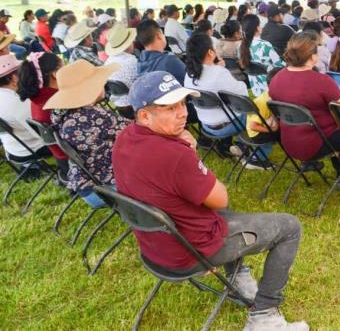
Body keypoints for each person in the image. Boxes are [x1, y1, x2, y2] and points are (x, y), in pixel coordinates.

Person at [113, 71, 308, 331]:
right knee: (289, 227)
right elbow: (219, 198)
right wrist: (191, 153)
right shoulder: (174, 153)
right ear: (144, 115)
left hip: (157, 249)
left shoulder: (124, 139)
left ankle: (237, 275)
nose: (182, 113)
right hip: (190, 252)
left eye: (182, 104)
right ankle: (265, 316)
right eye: (171, 108)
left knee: (216, 206)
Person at [270, 33, 340, 194]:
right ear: (313, 57)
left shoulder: (277, 78)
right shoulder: (321, 81)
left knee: (333, 126)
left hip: (289, 142)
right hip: (314, 143)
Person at [44, 60, 127, 207]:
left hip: (87, 187)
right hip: (107, 191)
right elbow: (138, 132)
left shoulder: (59, 113)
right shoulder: (94, 116)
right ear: (90, 87)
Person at [185, 33, 265, 160]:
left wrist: (217, 68)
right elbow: (243, 93)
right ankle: (253, 154)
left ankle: (232, 145)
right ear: (211, 52)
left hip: (206, 125)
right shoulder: (219, 73)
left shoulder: (189, 74)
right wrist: (221, 70)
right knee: (261, 114)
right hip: (228, 125)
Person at [0, 54, 56, 180]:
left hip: (13, 149)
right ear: (14, 78)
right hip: (30, 150)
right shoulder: (18, 102)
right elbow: (45, 134)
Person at [240, 14, 285, 97]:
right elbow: (280, 66)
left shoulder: (243, 46)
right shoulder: (264, 45)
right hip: (269, 90)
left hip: (256, 90)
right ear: (257, 28)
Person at [104, 24, 139, 119]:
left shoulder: (108, 61)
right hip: (134, 104)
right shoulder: (132, 61)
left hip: (118, 104)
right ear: (127, 45)